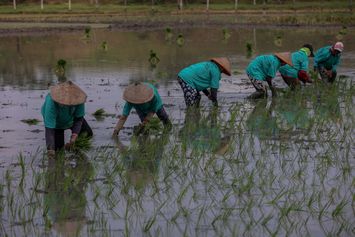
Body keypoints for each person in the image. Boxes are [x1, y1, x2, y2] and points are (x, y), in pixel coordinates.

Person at [41, 81, 93, 156]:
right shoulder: (51, 103)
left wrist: (74, 136)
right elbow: (50, 130)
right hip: (57, 123)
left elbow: (78, 119)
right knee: (58, 151)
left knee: (87, 134)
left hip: (71, 119)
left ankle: (74, 150)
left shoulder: (79, 100)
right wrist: (50, 152)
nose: (66, 105)